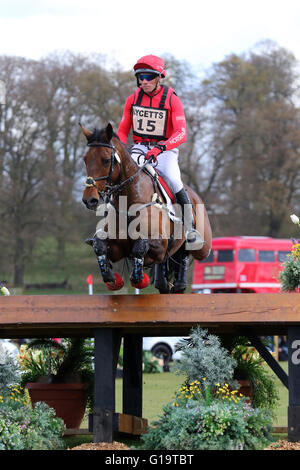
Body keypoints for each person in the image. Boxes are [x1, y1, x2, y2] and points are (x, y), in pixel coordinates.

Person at [117, 54, 204, 248]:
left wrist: (161, 147)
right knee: (120, 177)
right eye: (141, 77)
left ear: (159, 77)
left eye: (148, 77)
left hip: (165, 150)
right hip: (139, 148)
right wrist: (119, 148)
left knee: (174, 180)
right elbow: (123, 130)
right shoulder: (132, 99)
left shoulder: (172, 100)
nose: (144, 81)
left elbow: (181, 133)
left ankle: (190, 230)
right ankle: (111, 224)